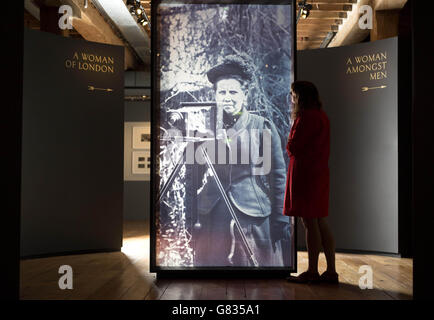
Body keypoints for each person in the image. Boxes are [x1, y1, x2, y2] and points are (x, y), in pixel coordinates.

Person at [193, 55, 291, 267]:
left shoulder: (261, 126)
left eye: (233, 91)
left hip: (253, 217)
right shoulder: (203, 130)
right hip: (213, 215)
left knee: (255, 278)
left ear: (245, 95)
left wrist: (281, 218)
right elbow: (192, 177)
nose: (227, 97)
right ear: (215, 95)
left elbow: (278, 176)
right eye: (222, 92)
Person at [283, 81, 338, 283]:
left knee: (309, 222)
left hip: (305, 175)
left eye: (293, 95)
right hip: (319, 173)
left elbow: (293, 147)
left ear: (299, 97)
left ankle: (313, 271)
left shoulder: (305, 118)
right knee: (320, 220)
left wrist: (289, 141)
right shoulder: (322, 116)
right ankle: (331, 271)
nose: (291, 99)